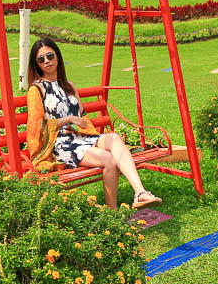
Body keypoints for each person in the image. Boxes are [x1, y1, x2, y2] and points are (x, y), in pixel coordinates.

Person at [24, 37, 162, 210]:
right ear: (36, 64)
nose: (47, 61)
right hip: (59, 144)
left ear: (57, 57)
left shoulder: (69, 85)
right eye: (41, 59)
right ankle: (112, 212)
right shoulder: (37, 90)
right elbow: (36, 126)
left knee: (113, 137)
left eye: (50, 56)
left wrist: (79, 123)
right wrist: (67, 120)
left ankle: (140, 193)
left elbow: (82, 117)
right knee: (108, 159)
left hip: (80, 137)